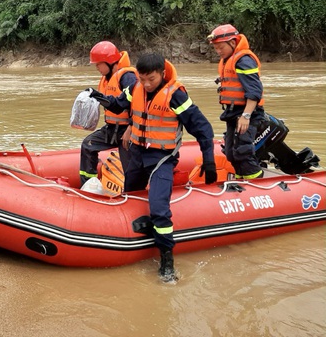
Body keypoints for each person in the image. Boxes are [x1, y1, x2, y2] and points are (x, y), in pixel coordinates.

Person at [95, 53, 217, 282]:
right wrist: (98, 97)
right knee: (129, 195)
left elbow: (203, 128)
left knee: (159, 208)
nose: (147, 84)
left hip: (162, 157)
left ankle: (167, 261)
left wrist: (208, 160)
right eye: (142, 79)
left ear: (162, 73)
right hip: (139, 154)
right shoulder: (136, 88)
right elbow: (118, 104)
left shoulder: (176, 96)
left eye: (151, 79)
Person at [208, 24, 265, 180]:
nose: (218, 52)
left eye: (221, 48)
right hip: (233, 112)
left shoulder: (244, 61)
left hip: (248, 113)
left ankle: (257, 184)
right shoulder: (229, 60)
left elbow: (254, 91)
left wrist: (246, 116)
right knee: (231, 152)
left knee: (243, 151)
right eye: (216, 48)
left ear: (233, 43)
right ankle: (242, 180)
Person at [81, 41, 138, 186]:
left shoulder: (128, 77)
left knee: (130, 170)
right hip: (112, 129)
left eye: (98, 64)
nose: (97, 67)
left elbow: (137, 104)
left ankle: (132, 194)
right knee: (88, 145)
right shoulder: (107, 78)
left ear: (109, 62)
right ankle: (88, 185)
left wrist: (131, 128)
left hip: (128, 131)